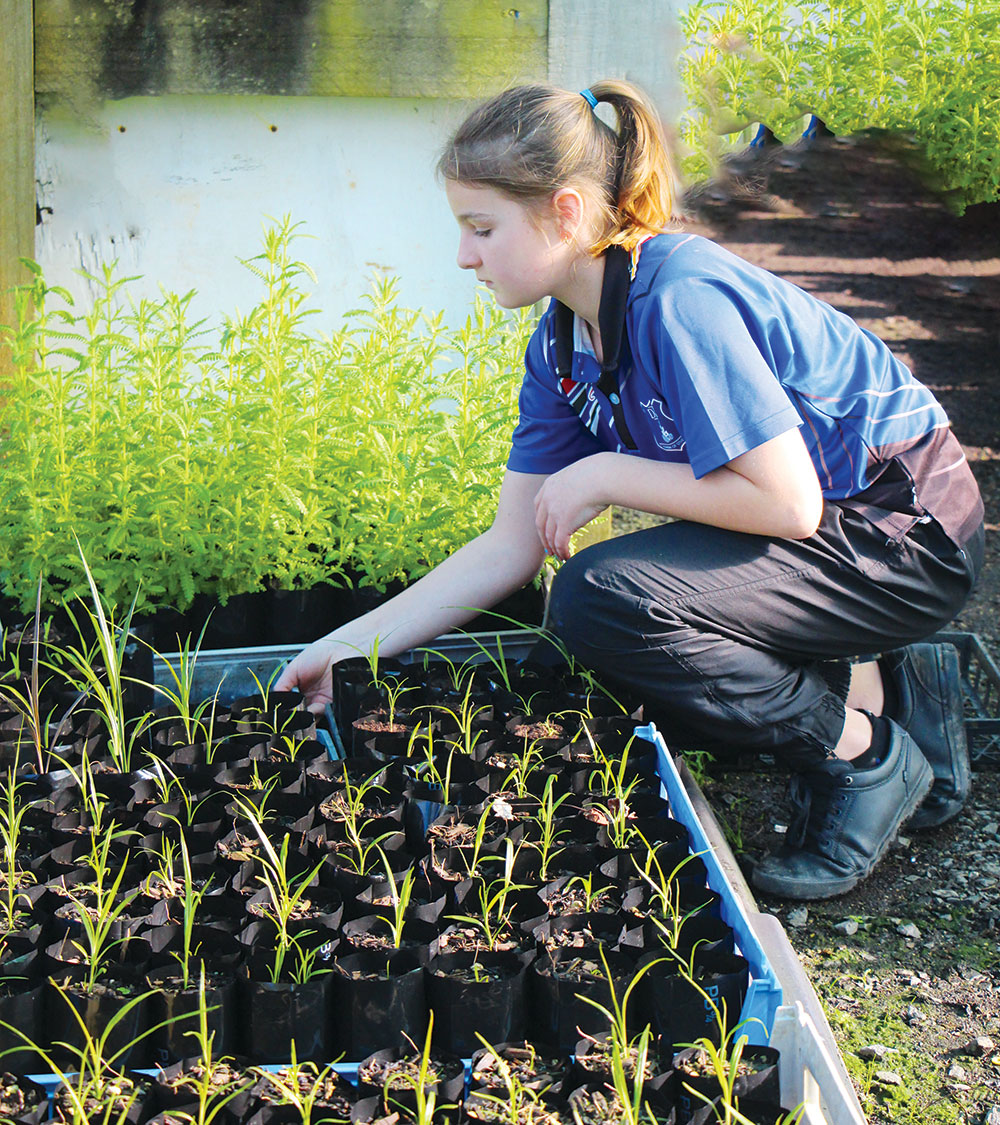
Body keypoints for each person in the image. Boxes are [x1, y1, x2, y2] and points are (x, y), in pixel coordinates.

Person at [276, 80, 984, 901]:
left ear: (567, 213)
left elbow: (789, 503)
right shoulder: (564, 346)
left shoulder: (680, 299)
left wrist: (606, 471)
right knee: (626, 670)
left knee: (603, 600)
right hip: (836, 534)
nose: (465, 256)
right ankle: (900, 686)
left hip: (907, 533)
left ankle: (865, 755)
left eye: (481, 228)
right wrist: (346, 649)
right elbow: (510, 547)